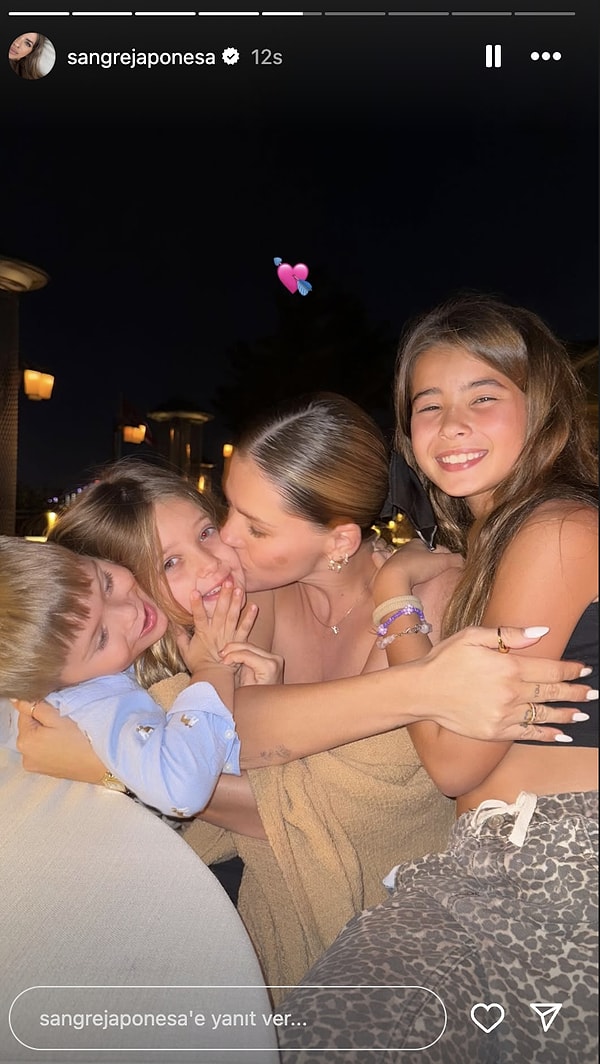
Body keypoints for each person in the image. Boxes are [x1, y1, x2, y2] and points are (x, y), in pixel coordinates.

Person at [11, 406, 595, 1000]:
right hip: (266, 926)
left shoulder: (424, 596)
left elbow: (348, 816)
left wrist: (111, 768)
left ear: (339, 540)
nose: (224, 548)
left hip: (405, 935)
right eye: (223, 515)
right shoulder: (224, 620)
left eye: (234, 528)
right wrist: (419, 686)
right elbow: (243, 747)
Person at [276, 294, 598, 1063]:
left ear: (542, 408)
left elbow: (455, 760)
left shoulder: (556, 530)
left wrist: (395, 598)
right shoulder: (500, 535)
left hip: (557, 871)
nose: (452, 425)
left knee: (338, 1033)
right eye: (429, 406)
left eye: (483, 398)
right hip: (497, 866)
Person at [0, 533, 279, 816]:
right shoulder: (91, 703)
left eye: (107, 583)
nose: (129, 612)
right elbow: (181, 788)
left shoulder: (82, 666)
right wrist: (212, 669)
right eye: (101, 638)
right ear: (53, 688)